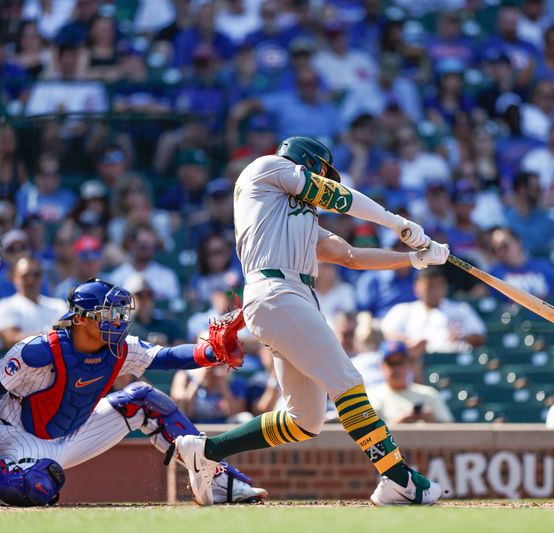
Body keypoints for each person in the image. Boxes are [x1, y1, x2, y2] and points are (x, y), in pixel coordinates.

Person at [176, 136, 450, 507]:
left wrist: (414, 259)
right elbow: (338, 196)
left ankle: (206, 450)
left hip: (292, 298)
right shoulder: (265, 169)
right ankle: (398, 479)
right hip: (277, 290)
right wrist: (397, 222)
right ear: (305, 161)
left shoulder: (294, 216)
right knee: (348, 383)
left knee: (305, 419)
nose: (324, 178)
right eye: (321, 170)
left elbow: (350, 255)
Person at [0, 279, 266, 506]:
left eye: (120, 313)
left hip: (75, 432)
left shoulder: (119, 348)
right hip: (20, 437)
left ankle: (220, 483)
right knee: (39, 486)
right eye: (108, 314)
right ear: (81, 319)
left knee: (145, 399)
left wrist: (210, 353)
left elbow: (164, 357)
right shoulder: (39, 351)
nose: (119, 320)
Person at [381, 267, 486, 354]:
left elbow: (480, 337)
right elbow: (385, 333)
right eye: (429, 286)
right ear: (417, 287)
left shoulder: (461, 309)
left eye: (437, 286)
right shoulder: (403, 310)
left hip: (454, 357)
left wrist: (462, 337)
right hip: (419, 363)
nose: (433, 291)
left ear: (445, 287)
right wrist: (408, 342)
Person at [0, 257, 68, 351]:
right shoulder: (5, 305)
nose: (31, 280)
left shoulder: (58, 305)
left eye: (36, 275)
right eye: (25, 275)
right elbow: (10, 340)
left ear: (42, 277)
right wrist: (52, 331)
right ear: (14, 278)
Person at [368, 341, 453, 425]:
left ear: (408, 364)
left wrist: (433, 421)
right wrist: (396, 425)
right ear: (382, 366)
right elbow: (367, 435)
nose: (396, 369)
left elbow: (452, 432)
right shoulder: (372, 398)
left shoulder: (429, 394)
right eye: (391, 363)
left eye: (400, 362)